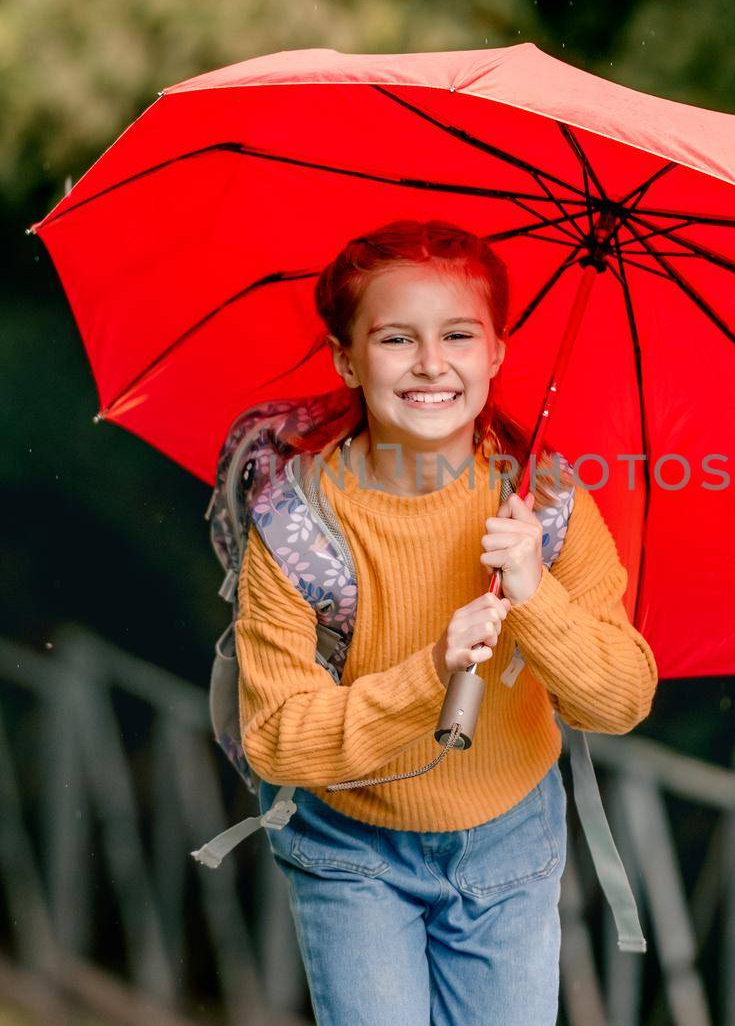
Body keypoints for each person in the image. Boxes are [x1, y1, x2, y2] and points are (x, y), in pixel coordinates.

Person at [233, 217, 658, 1025]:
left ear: (496, 352)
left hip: (509, 841)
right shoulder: (297, 524)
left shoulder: (549, 508)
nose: (432, 364)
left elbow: (621, 700)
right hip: (351, 844)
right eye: (396, 339)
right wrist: (429, 672)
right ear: (345, 358)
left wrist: (536, 595)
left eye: (459, 335)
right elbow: (277, 738)